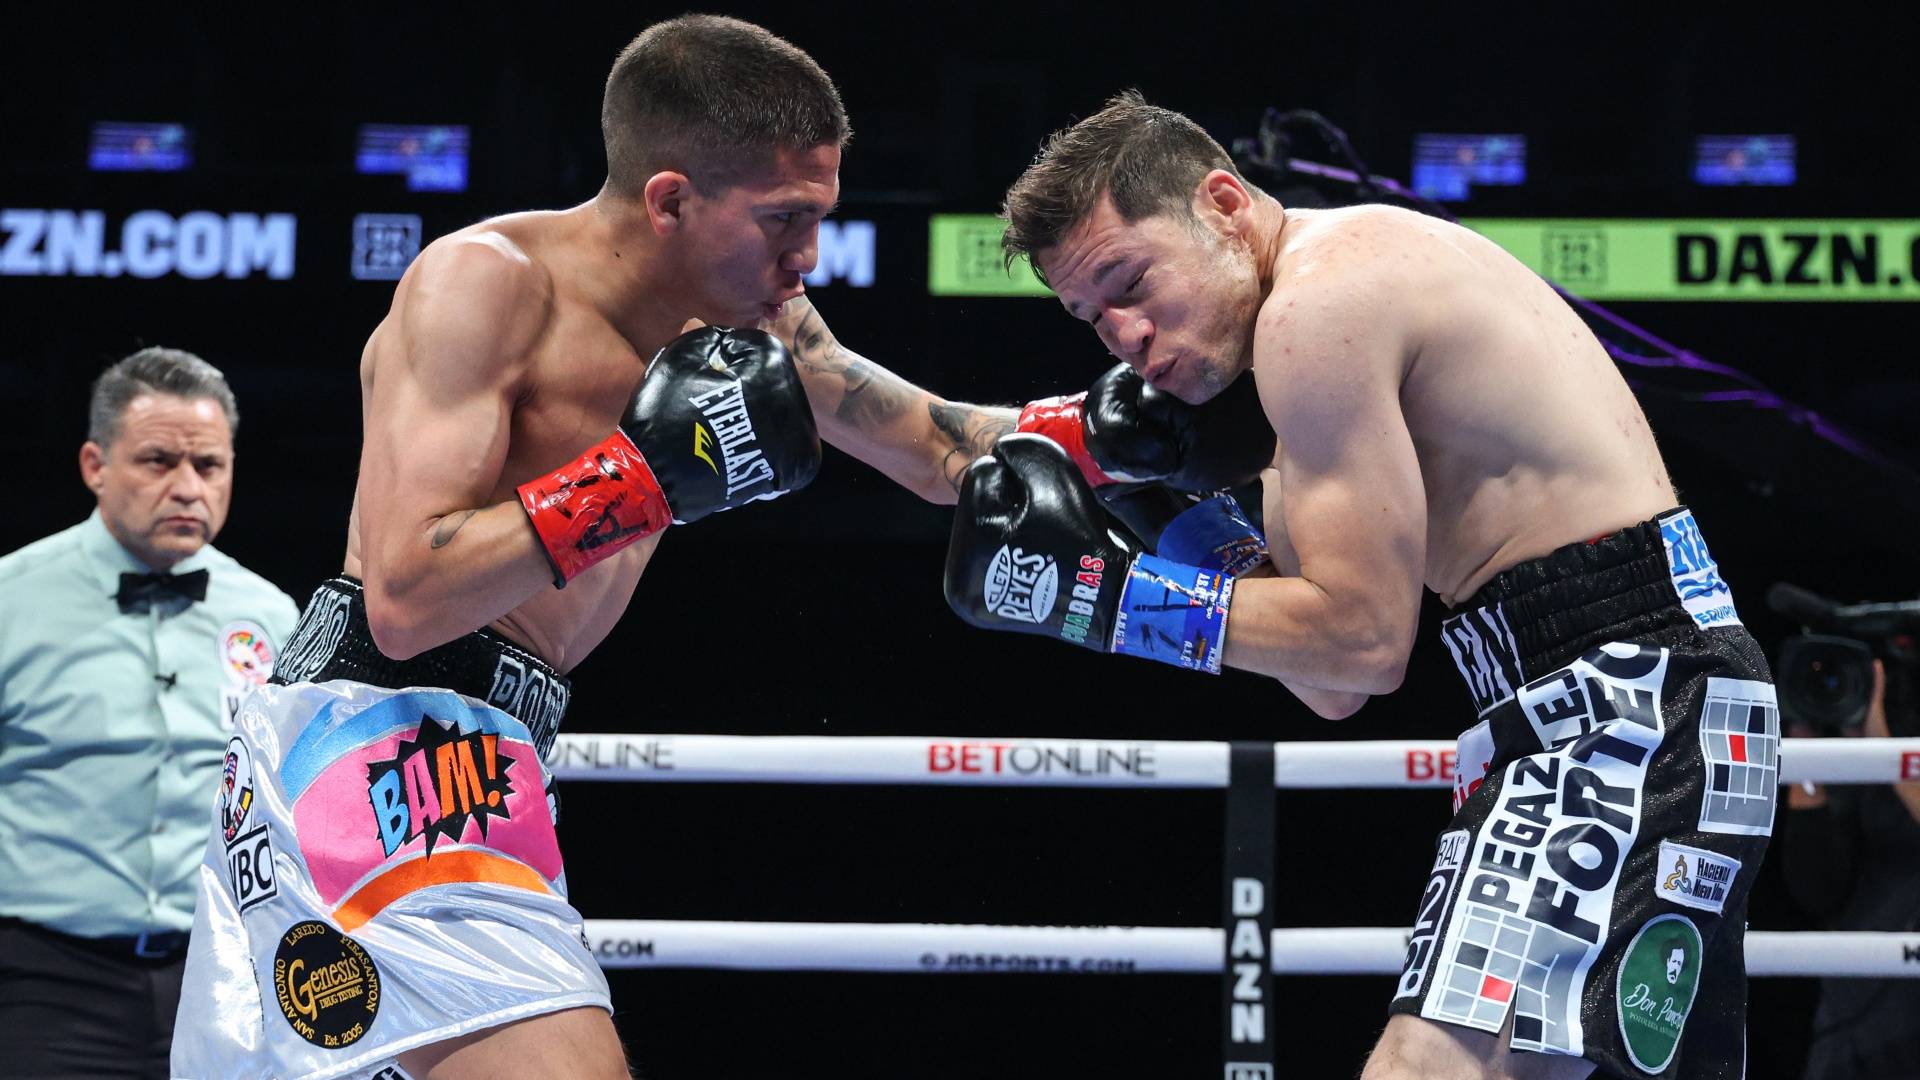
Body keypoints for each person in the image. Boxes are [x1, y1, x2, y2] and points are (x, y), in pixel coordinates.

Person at [170, 16, 1204, 1080]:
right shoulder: (485, 284)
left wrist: (1110, 436)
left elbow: (936, 447)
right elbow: (403, 598)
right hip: (382, 738)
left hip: (492, 741)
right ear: (669, 201)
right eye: (783, 219)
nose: (808, 256)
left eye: (820, 218)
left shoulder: (760, 324)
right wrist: (640, 477)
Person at [939, 91, 1776, 1079]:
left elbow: (1365, 646)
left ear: (1222, 204)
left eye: (1130, 281)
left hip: (1623, 699)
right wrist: (1175, 525)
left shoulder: (1317, 309)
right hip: (1644, 688)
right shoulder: (1327, 312)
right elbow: (1327, 685)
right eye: (1091, 316)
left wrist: (1102, 598)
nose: (1123, 332)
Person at [0, 346, 297, 1078]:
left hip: (227, 975)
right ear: (95, 466)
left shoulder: (271, 615)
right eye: (159, 461)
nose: (188, 488)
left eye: (208, 465)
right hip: (44, 979)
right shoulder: (12, 599)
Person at [1781, 657, 1920, 1079]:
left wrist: (1883, 748)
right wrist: (1806, 749)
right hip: (1853, 1021)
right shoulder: (1854, 764)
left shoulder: (1888, 752)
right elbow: (1814, 887)